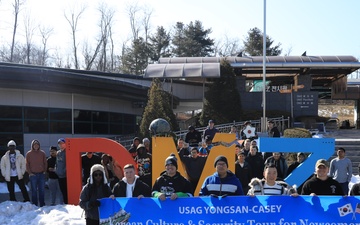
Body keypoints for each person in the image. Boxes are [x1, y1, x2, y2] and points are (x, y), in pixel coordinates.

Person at [26, 139, 47, 207]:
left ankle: (42, 204)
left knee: (42, 190)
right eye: (34, 145)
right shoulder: (29, 153)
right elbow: (27, 164)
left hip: (41, 174)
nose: (36, 146)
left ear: (39, 145)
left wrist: (44, 171)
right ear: (32, 145)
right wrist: (30, 173)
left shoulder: (42, 153)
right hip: (33, 175)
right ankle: (34, 205)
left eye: (37, 144)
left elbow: (45, 163)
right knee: (34, 191)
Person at [56, 138, 68, 204]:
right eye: (59, 144)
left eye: (62, 143)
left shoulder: (67, 152)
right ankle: (64, 202)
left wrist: (64, 171)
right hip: (59, 175)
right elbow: (57, 163)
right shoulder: (58, 153)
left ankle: (67, 203)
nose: (61, 145)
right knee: (62, 191)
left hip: (65, 175)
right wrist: (56, 170)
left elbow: (68, 163)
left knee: (66, 191)